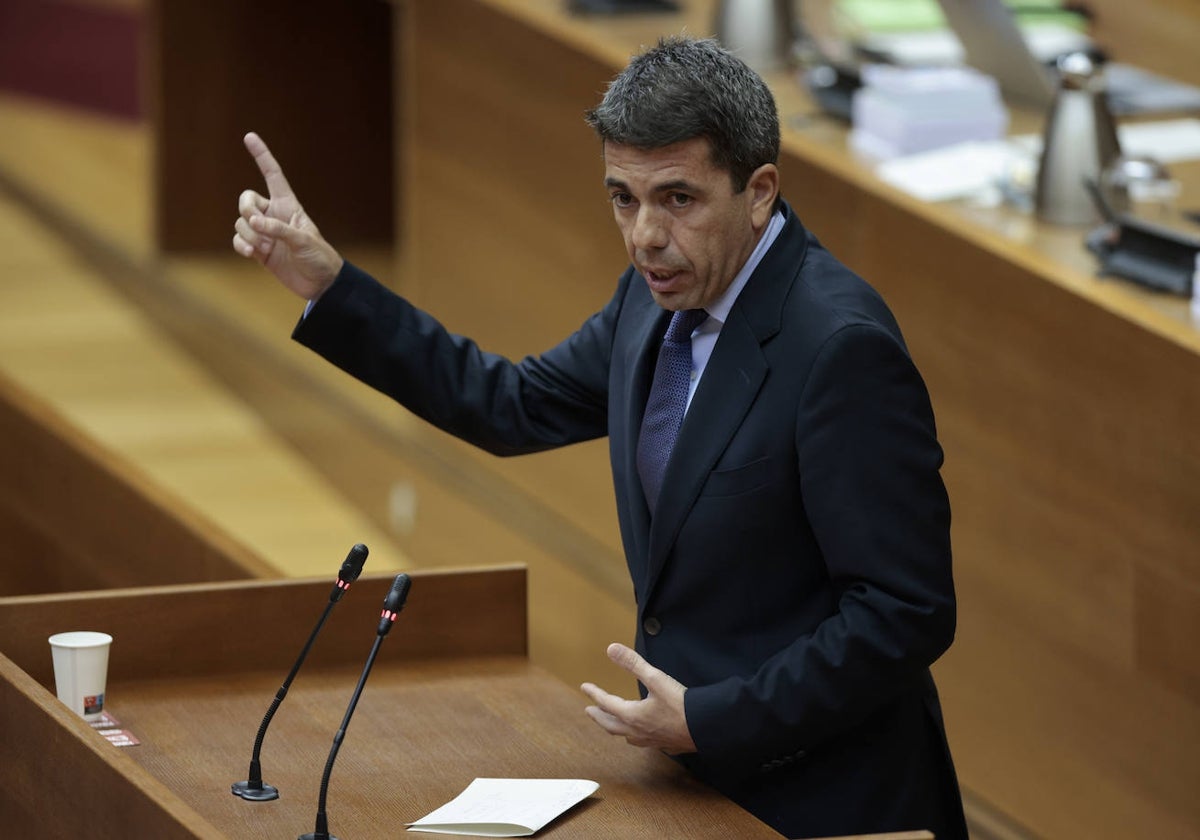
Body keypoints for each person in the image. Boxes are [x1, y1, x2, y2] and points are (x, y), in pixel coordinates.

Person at [232, 35, 968, 839]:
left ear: (759, 192)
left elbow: (904, 612)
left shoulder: (838, 347)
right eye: (623, 197)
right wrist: (331, 287)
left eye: (677, 199)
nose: (645, 235)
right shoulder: (653, 303)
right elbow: (507, 403)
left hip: (832, 801)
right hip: (698, 786)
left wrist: (715, 718)